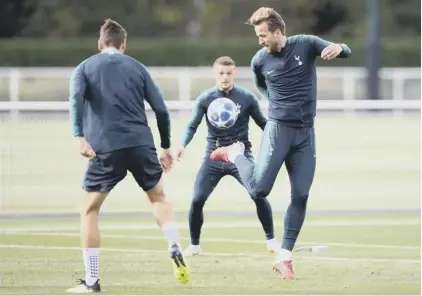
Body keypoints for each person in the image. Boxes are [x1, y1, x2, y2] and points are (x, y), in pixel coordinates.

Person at [210, 7, 352, 280]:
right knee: (259, 189)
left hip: (305, 134)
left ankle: (285, 256)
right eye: (258, 35)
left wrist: (339, 47)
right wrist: (278, 104)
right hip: (278, 130)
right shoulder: (259, 61)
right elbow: (262, 86)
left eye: (263, 35)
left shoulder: (306, 44)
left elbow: (343, 49)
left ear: (278, 32)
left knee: (300, 195)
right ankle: (235, 153)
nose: (260, 40)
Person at [66, 19, 190, 293]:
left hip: (106, 147)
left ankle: (92, 281)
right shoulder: (137, 67)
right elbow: (161, 110)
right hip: (141, 145)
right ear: (124, 44)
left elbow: (75, 99)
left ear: (100, 44)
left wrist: (79, 136)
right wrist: (166, 147)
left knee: (89, 209)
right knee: (158, 198)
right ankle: (173, 243)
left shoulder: (84, 67)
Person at [176, 56, 278, 256]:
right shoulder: (205, 99)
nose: (224, 77)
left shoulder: (247, 98)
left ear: (235, 74)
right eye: (221, 73)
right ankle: (195, 245)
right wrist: (181, 145)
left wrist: (280, 140)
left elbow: (264, 125)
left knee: (258, 194)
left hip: (240, 155)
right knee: (197, 199)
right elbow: (191, 125)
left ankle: (271, 240)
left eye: (228, 73)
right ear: (215, 73)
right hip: (213, 157)